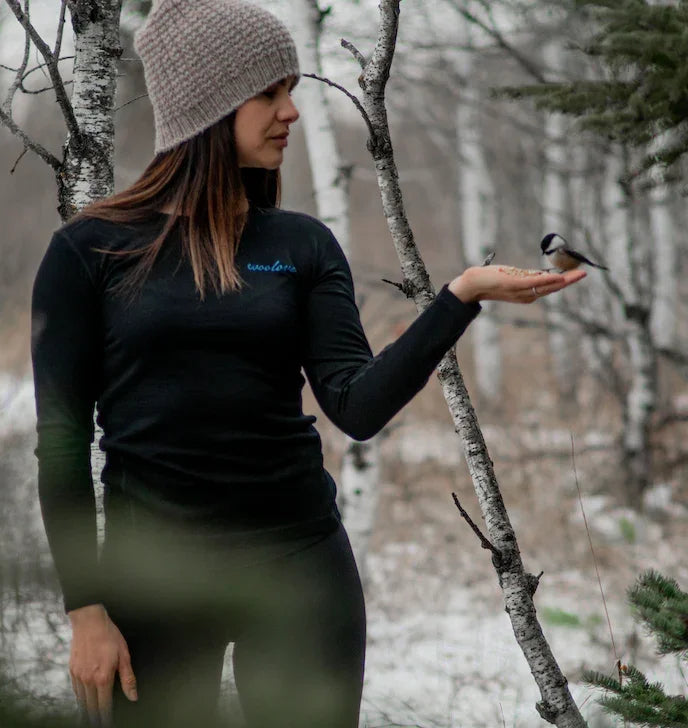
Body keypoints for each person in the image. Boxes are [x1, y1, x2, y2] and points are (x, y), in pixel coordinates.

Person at [30, 1, 586, 726]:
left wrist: (459, 297)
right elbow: (64, 440)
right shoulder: (90, 252)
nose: (291, 111)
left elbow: (356, 406)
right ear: (210, 105)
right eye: (271, 93)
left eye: (290, 91)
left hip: (300, 570)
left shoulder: (301, 245)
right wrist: (86, 611)